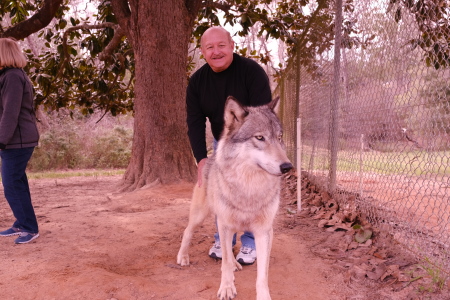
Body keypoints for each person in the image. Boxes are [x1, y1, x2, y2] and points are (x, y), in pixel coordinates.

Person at [186, 26, 272, 265]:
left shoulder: (252, 72)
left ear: (232, 45)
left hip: (255, 142)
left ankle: (250, 243)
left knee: (252, 189)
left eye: (221, 45)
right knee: (222, 191)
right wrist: (202, 159)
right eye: (209, 47)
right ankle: (221, 239)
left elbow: (264, 117)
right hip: (223, 142)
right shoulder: (197, 82)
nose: (216, 52)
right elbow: (194, 122)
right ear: (202, 51)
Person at [0, 37, 40, 244]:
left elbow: (10, 113)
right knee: (17, 183)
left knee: (11, 184)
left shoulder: (13, 76)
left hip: (18, 140)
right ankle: (22, 223)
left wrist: (1, 140)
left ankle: (29, 228)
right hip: (15, 140)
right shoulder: (8, 75)